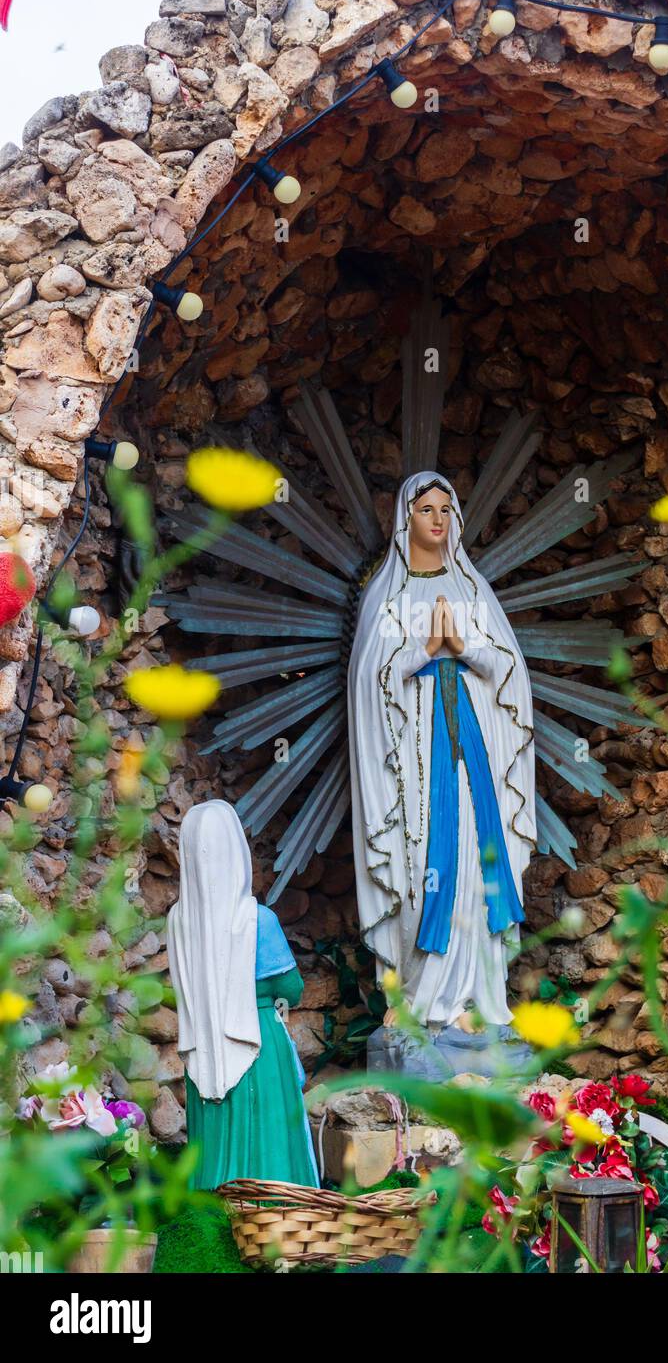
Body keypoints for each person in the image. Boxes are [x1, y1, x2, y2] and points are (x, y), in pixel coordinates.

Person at [348, 472, 536, 1033]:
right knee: (427, 863)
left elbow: (511, 674)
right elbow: (367, 683)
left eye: (446, 510)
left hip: (473, 747)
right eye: (426, 509)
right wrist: (421, 651)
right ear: (406, 517)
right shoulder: (389, 596)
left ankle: (479, 996)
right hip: (417, 762)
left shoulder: (472, 591)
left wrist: (465, 647)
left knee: (480, 858)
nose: (438, 519)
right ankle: (426, 998)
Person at [167, 799, 318, 1190]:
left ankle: (216, 1224)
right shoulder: (256, 919)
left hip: (203, 1051)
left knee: (212, 1142)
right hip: (258, 1045)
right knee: (269, 1144)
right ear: (235, 851)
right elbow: (291, 990)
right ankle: (277, 1222)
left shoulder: (178, 922)